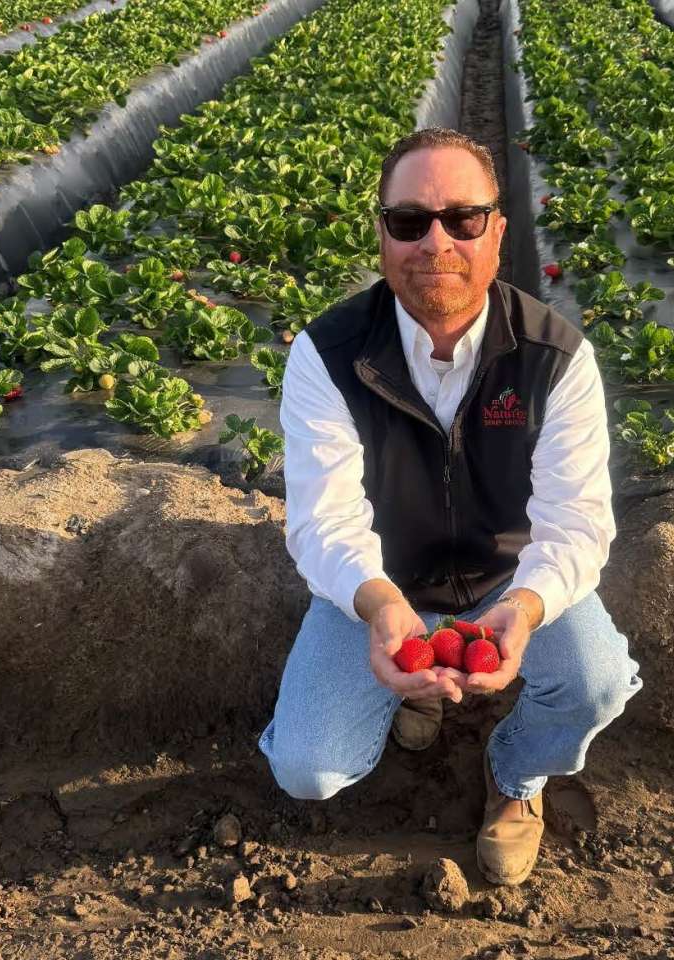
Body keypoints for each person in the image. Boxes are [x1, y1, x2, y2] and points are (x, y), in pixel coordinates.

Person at [259, 127, 642, 887]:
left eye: (463, 218)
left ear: (498, 231)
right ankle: (417, 683)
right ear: (382, 234)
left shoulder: (555, 357)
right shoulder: (329, 354)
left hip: (507, 578)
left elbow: (576, 522)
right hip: (384, 583)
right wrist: (379, 609)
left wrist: (528, 609)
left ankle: (516, 776)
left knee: (597, 681)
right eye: (409, 221)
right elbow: (324, 519)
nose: (436, 241)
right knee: (306, 770)